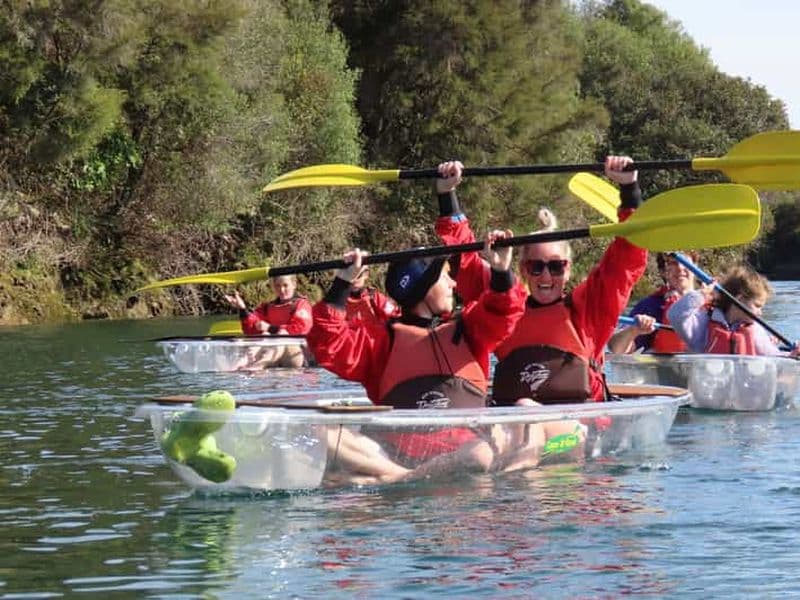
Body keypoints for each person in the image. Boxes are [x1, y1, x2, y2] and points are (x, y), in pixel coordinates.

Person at [307, 230, 536, 479]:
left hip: (464, 449)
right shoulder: (380, 340)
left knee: (480, 454)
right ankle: (401, 475)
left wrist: (501, 271)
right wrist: (342, 283)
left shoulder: (470, 327)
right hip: (393, 451)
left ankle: (396, 477)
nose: (454, 284)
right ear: (425, 288)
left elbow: (506, 309)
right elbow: (326, 343)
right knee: (318, 430)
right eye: (445, 277)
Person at [434, 156, 648, 405]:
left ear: (568, 270)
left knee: (527, 410)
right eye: (536, 267)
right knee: (524, 409)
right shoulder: (503, 308)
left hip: (575, 432)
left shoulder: (589, 309)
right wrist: (447, 195)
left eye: (556, 267)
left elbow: (627, 259)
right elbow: (465, 261)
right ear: (523, 270)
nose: (546, 276)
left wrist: (629, 188)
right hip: (518, 428)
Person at [667, 264, 800, 356]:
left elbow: (772, 356)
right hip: (709, 393)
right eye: (757, 305)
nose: (760, 312)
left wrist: (791, 355)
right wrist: (701, 295)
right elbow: (675, 315)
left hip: (744, 393)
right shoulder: (704, 323)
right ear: (740, 299)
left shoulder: (755, 330)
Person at [607, 251, 699, 354]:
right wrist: (633, 330)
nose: (680, 268)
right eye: (673, 263)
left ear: (695, 268)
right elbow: (616, 349)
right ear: (663, 272)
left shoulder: (711, 306)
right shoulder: (650, 306)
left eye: (686, 263)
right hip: (664, 368)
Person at [223, 274, 312, 368]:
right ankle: (240, 364)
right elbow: (251, 329)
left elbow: (301, 329)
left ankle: (258, 365)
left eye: (285, 285)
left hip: (296, 355)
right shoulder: (267, 307)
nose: (281, 290)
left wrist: (270, 328)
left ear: (294, 285)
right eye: (278, 286)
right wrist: (242, 310)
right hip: (273, 351)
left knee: (281, 334)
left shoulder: (301, 305)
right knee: (266, 333)